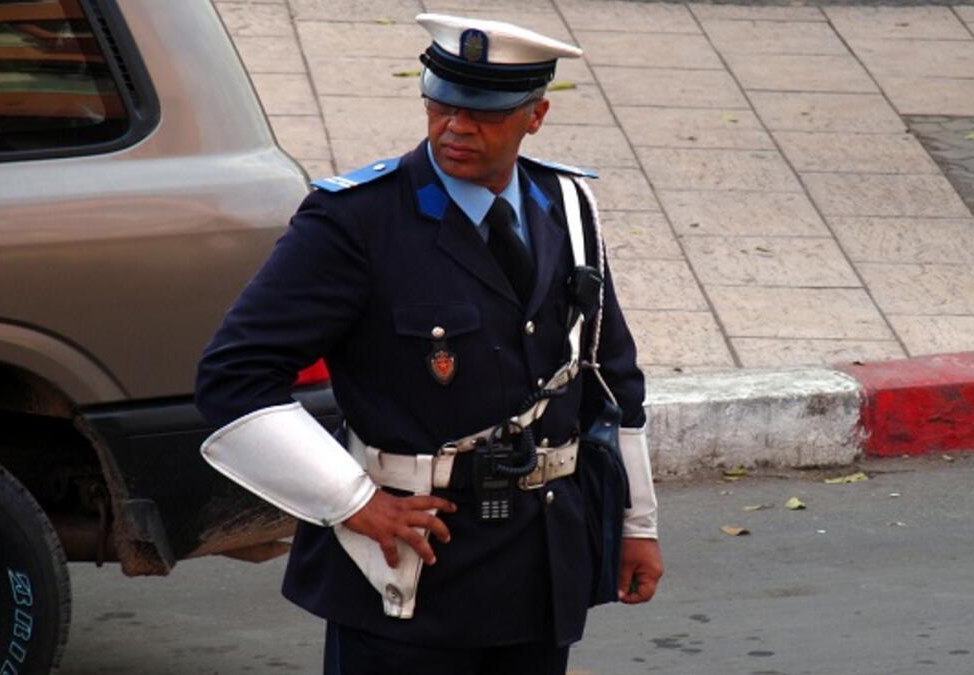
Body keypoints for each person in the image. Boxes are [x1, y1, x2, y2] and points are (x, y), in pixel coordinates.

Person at [195, 13, 662, 675]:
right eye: (441, 105)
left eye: (485, 114)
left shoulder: (568, 206)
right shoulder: (355, 221)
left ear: (536, 116)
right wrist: (352, 501)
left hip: (540, 565)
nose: (456, 127)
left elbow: (612, 379)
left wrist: (635, 527)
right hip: (410, 574)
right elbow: (233, 378)